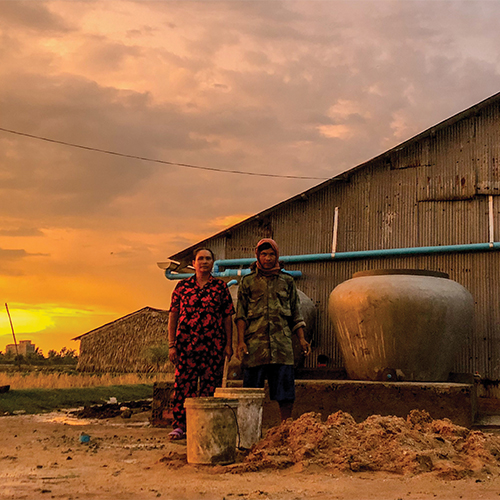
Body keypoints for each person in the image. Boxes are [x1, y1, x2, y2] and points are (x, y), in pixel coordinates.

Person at [236, 238, 311, 421]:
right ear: (257, 256)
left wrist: (301, 339)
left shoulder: (287, 281)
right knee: (251, 393)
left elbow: (295, 312)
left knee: (285, 391)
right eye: (264, 254)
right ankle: (250, 430)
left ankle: (285, 427)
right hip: (255, 346)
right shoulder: (247, 282)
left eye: (271, 254)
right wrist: (240, 341)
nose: (267, 258)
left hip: (282, 346)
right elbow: (241, 314)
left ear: (277, 256)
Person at [167, 248, 234, 440]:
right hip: (186, 346)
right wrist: (172, 345)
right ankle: (180, 425)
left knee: (209, 387)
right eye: (200, 259)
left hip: (213, 347)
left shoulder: (220, 288)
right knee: (183, 386)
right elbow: (173, 315)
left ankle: (205, 425)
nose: (204, 262)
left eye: (208, 258)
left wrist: (228, 344)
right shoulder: (182, 287)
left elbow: (227, 317)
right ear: (194, 263)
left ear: (213, 262)